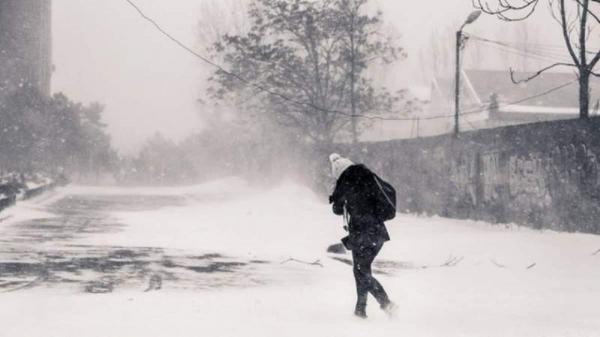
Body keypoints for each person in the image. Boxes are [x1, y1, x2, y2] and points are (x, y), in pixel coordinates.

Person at [328, 153, 396, 318]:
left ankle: (386, 304)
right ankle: (360, 310)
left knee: (361, 272)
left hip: (361, 232)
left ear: (338, 172)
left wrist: (336, 194)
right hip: (377, 232)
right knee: (362, 270)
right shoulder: (368, 177)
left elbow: (336, 210)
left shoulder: (346, 183)